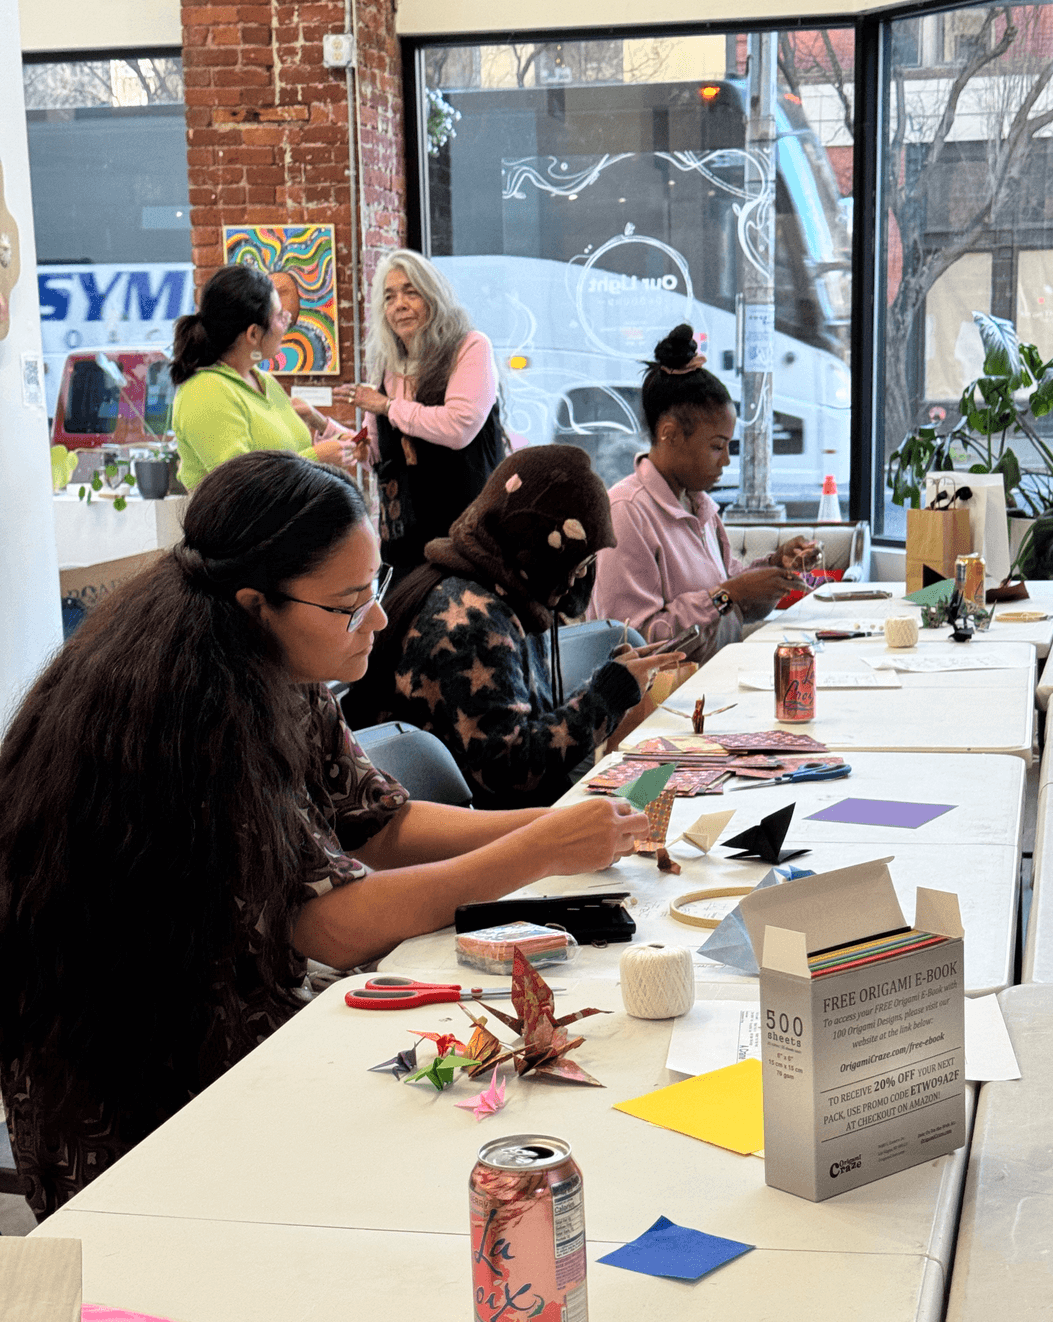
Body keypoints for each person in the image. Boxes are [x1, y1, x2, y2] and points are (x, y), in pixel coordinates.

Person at [0, 451, 649, 1220]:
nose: (377, 617)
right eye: (349, 604)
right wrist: (537, 851)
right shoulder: (190, 720)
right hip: (137, 1076)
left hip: (229, 1028)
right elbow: (327, 926)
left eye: (373, 587)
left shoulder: (279, 672)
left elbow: (381, 822)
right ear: (254, 603)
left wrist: (555, 824)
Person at [339, 444, 684, 810]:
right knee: (652, 800)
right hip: (474, 834)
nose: (581, 577)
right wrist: (606, 695)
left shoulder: (494, 588)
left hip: (490, 820)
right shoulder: (473, 620)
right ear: (541, 550)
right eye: (578, 564)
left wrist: (611, 683)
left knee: (658, 785)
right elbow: (511, 773)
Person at [588, 324, 819, 662]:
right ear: (670, 434)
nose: (726, 460)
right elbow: (633, 642)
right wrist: (726, 595)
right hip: (660, 703)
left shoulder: (699, 506)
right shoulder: (626, 513)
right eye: (716, 446)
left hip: (712, 684)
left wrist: (773, 567)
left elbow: (732, 596)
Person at [332, 249, 504, 575]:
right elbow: (377, 457)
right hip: (404, 542)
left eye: (411, 292)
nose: (399, 305)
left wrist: (387, 406)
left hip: (465, 535)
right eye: (389, 297)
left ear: (433, 297)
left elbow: (458, 427)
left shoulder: (469, 347)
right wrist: (332, 432)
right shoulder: (387, 367)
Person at [170, 263, 360, 489]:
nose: (287, 322)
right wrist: (317, 458)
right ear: (253, 334)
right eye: (280, 316)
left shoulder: (263, 380)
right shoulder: (204, 392)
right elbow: (240, 487)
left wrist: (332, 446)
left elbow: (290, 457)